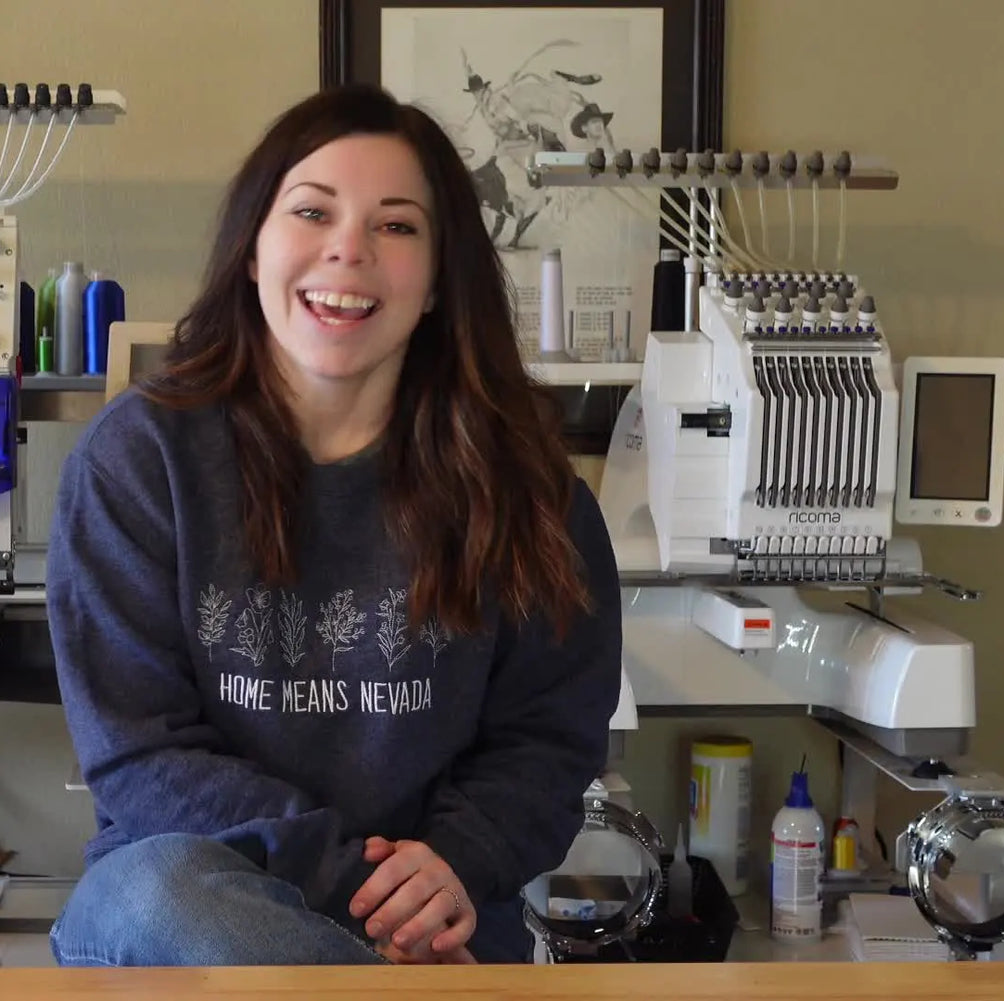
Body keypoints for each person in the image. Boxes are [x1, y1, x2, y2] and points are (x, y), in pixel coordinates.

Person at [43, 82, 622, 967]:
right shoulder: (139, 459)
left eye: (396, 226)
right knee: (172, 893)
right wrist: (366, 893)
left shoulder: (526, 484)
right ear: (252, 248)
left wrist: (448, 869)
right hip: (189, 905)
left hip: (435, 915)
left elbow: (548, 738)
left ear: (436, 282)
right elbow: (139, 755)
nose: (348, 250)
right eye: (313, 211)